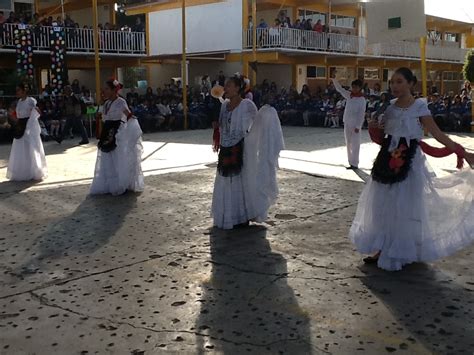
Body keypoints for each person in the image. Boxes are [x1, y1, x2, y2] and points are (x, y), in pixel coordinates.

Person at [350, 67, 474, 271]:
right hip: (387, 160)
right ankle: (382, 248)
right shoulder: (388, 108)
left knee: (404, 206)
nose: (394, 86)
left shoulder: (419, 107)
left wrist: (462, 152)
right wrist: (374, 127)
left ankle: (402, 249)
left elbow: (437, 134)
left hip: (410, 163)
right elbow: (383, 138)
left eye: (399, 82)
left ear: (411, 83)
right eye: (392, 82)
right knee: (382, 205)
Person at [211, 75, 284, 229]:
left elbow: (256, 124)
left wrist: (266, 114)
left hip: (241, 148)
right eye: (225, 86)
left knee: (241, 181)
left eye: (229, 85)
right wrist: (217, 126)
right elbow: (224, 126)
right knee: (226, 181)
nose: (226, 89)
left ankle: (243, 214)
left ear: (238, 88)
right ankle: (229, 214)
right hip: (226, 148)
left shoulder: (247, 105)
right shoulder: (224, 106)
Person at [90, 79, 144, 195]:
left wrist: (131, 128)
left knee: (116, 157)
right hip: (107, 130)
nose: (104, 91)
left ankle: (119, 183)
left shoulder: (121, 102)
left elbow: (128, 115)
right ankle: (108, 184)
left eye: (107, 89)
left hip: (116, 131)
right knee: (106, 158)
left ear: (114, 90)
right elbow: (104, 118)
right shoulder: (107, 103)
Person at [6, 83, 47, 181]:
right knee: (20, 148)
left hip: (29, 127)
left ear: (24, 91)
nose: (17, 92)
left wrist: (30, 122)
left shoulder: (31, 101)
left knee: (31, 148)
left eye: (18, 90)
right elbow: (18, 115)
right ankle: (22, 171)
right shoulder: (18, 102)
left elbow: (38, 112)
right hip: (20, 127)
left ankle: (33, 170)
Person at [331, 77, 366, 169]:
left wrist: (358, 126)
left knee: (355, 143)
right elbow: (339, 89)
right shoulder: (349, 95)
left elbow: (361, 114)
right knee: (348, 142)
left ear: (360, 88)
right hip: (347, 121)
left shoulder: (362, 99)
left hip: (355, 124)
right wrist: (334, 79)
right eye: (353, 87)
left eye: (356, 87)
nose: (354, 89)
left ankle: (355, 163)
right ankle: (351, 162)